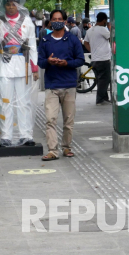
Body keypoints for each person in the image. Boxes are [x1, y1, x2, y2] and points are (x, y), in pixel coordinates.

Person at [0, 0, 39, 147]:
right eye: (7, 4)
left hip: (23, 66)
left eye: (13, 3)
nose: (10, 7)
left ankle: (26, 135)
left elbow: (32, 46)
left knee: (24, 103)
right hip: (5, 65)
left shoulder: (27, 22)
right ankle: (6, 136)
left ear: (18, 4)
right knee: (5, 102)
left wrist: (35, 68)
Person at [37, 9, 85, 160]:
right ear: (50, 22)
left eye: (60, 19)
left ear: (65, 22)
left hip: (69, 85)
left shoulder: (72, 39)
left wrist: (66, 63)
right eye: (54, 19)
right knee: (50, 119)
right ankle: (52, 150)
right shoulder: (45, 41)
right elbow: (40, 62)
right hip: (52, 86)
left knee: (68, 120)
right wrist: (49, 61)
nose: (57, 21)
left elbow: (80, 60)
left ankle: (67, 147)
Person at [83, 12, 112, 104]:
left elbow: (85, 42)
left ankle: (105, 98)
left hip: (95, 59)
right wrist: (110, 28)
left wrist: (92, 50)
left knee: (100, 79)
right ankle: (100, 99)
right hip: (103, 59)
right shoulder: (103, 29)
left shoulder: (90, 30)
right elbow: (112, 38)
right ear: (104, 20)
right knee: (105, 79)